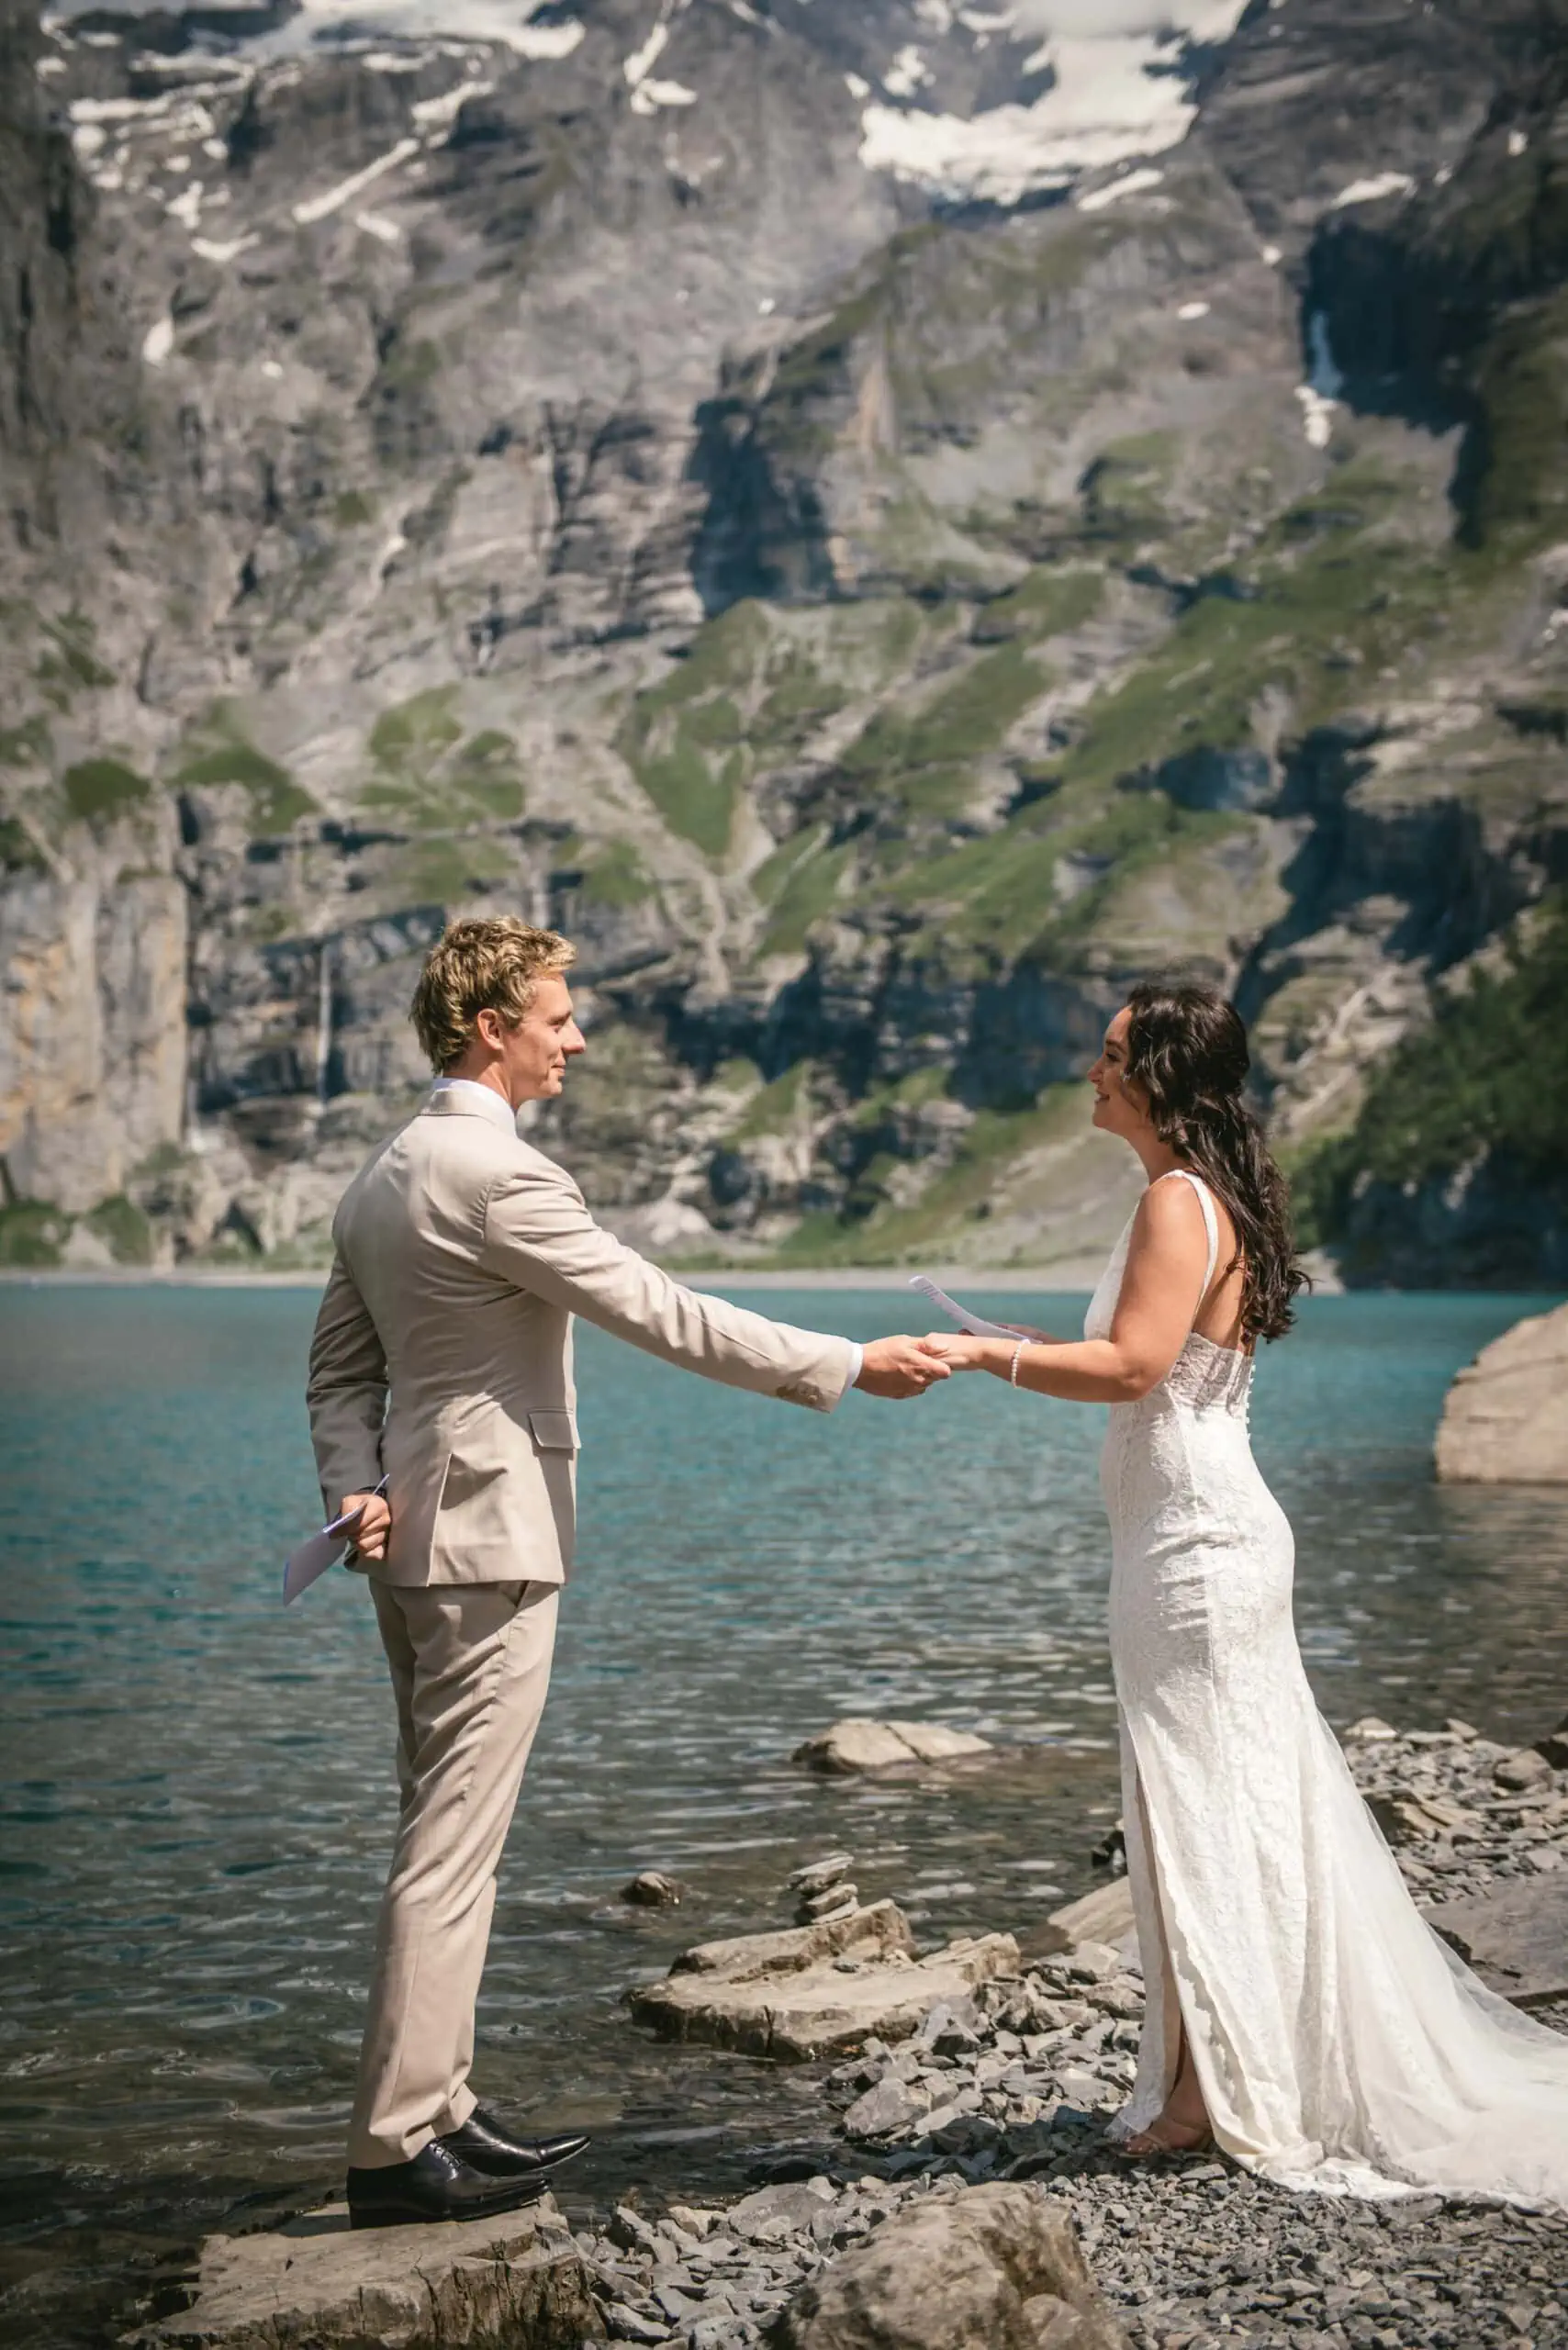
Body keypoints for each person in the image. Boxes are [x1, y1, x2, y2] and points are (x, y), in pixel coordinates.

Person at [307, 915, 946, 2228]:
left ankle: (440, 2108)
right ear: (493, 1028)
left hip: (416, 1543)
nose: (577, 1037)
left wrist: (354, 1486)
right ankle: (390, 2149)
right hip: (490, 1542)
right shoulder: (500, 1175)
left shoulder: (382, 1172)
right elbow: (658, 1308)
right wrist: (843, 1362)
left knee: (448, 1834)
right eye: (557, 1015)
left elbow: (339, 1375)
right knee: (449, 1849)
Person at [924, 977, 1568, 2203]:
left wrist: (979, 1352)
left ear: (1160, 1078)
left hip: (1195, 1553)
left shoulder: (1177, 1199)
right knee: (1212, 1805)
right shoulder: (1200, 1196)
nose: (1092, 1073)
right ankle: (1209, 2077)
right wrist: (1020, 1344)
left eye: (1112, 1055)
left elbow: (1129, 1369)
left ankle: (1211, 2092)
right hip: (1196, 1538)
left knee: (1202, 1811)